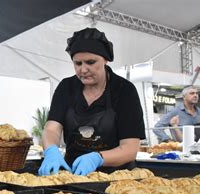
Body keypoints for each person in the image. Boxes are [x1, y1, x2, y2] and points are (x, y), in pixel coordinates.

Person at [38, 28, 146, 176]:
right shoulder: (66, 87)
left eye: (90, 62)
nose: (83, 69)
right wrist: (51, 150)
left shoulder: (124, 90)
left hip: (116, 177)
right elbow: (52, 128)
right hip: (74, 174)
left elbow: (130, 149)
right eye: (78, 63)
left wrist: (97, 158)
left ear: (105, 60)